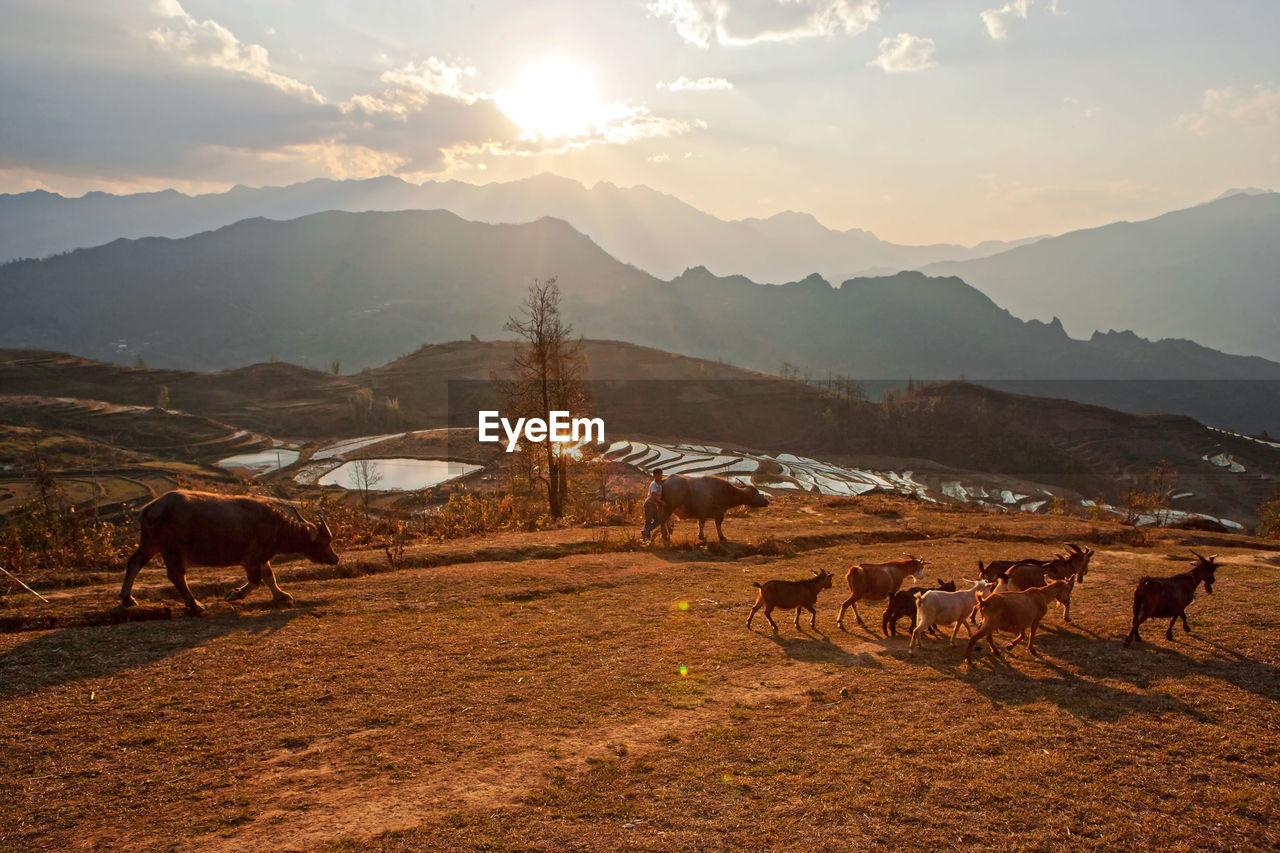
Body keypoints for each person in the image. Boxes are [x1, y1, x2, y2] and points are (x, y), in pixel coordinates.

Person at [641, 468, 665, 540]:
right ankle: (646, 535)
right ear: (654, 475)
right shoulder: (654, 484)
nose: (660, 476)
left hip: (654, 505)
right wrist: (661, 502)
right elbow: (653, 495)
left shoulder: (660, 483)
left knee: (658, 520)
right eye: (658, 475)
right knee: (648, 520)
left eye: (660, 474)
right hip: (649, 504)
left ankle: (646, 531)